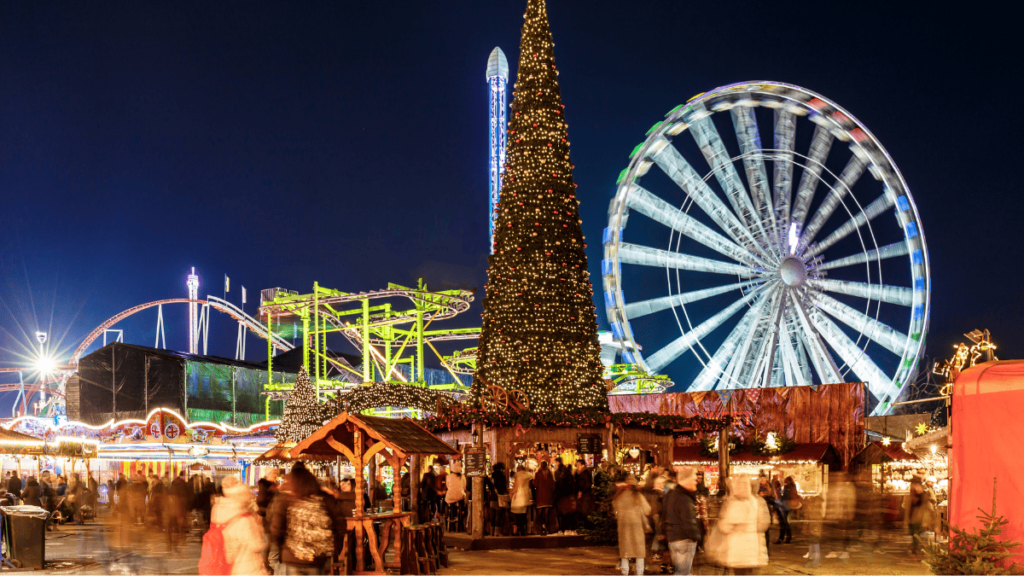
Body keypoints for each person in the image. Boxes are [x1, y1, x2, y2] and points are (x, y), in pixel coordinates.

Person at [270, 464, 345, 575]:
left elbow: (277, 528)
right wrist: (332, 548)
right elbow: (340, 525)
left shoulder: (286, 499)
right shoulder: (324, 498)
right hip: (317, 557)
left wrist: (283, 546)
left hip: (293, 557)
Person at [207, 476, 269, 575]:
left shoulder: (220, 512)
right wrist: (260, 528)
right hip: (249, 567)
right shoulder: (245, 520)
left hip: (231, 567)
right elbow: (257, 545)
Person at [715, 476, 768, 575]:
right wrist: (733, 526)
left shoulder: (756, 502)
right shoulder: (731, 502)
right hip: (736, 551)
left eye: (746, 484)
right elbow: (723, 525)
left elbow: (764, 522)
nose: (743, 487)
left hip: (752, 551)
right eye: (740, 484)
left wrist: (752, 527)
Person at [661, 467, 701, 576]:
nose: (696, 482)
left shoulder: (671, 494)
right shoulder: (684, 498)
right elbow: (688, 521)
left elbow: (664, 515)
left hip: (673, 538)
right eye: (694, 479)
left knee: (681, 571)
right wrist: (697, 537)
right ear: (687, 480)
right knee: (683, 573)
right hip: (684, 539)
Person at [614, 474, 651, 575]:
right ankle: (639, 572)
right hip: (637, 526)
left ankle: (625, 572)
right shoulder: (638, 496)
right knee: (639, 552)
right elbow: (647, 509)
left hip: (623, 527)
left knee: (625, 551)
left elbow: (615, 510)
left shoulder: (620, 496)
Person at [532, 461, 556, 536]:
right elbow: (553, 486)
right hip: (548, 496)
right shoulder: (550, 474)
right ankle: (545, 527)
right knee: (546, 512)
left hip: (540, 496)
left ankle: (542, 526)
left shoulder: (538, 474)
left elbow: (535, 484)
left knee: (539, 513)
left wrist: (532, 482)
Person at [554, 457, 577, 535]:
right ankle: (572, 529)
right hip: (570, 494)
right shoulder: (569, 474)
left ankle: (564, 529)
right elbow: (573, 485)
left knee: (563, 513)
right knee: (571, 513)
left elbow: (558, 485)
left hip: (562, 495)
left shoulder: (558, 473)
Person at [510, 463, 533, 536]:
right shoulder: (528, 475)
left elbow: (516, 487)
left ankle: (517, 530)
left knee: (517, 515)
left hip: (519, 496)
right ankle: (523, 530)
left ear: (519, 469)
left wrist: (511, 492)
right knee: (523, 514)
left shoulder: (518, 475)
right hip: (526, 496)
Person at [445, 462, 467, 532]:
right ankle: (461, 518)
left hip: (450, 497)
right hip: (460, 496)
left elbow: (447, 486)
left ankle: (451, 523)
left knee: (450, 505)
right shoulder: (462, 476)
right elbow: (464, 486)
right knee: (463, 500)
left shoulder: (448, 476)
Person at [776, 476, 799, 544]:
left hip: (785, 506)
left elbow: (784, 496)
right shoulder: (793, 486)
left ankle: (783, 538)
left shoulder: (787, 487)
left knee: (784, 523)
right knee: (786, 522)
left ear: (788, 481)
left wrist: (779, 492)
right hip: (789, 506)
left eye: (786, 480)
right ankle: (786, 538)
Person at [490, 462, 510, 536]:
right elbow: (503, 486)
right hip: (499, 496)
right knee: (498, 514)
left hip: (492, 496)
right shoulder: (502, 475)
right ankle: (497, 532)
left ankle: (491, 532)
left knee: (492, 515)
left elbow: (491, 485)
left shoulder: (492, 475)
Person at [575, 460, 594, 528]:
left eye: (578, 465)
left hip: (585, 496)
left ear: (583, 465)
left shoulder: (584, 474)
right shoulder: (583, 473)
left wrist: (581, 492)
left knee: (585, 512)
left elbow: (587, 484)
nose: (577, 467)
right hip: (585, 495)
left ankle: (587, 527)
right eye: (576, 465)